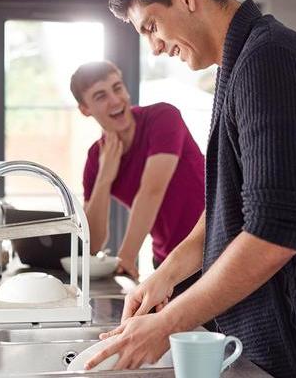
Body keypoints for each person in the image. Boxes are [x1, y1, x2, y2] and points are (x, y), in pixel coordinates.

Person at [83, 0, 296, 376]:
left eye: (150, 27)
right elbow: (232, 206)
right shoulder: (240, 63)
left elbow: (273, 236)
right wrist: (164, 277)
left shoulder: (270, 62)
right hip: (276, 342)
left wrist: (167, 324)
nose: (155, 48)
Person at [71, 60, 205, 294]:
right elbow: (93, 241)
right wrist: (104, 177)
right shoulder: (96, 157)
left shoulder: (163, 117)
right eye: (100, 96)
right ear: (85, 109)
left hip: (211, 249)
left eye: (117, 87)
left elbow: (151, 191)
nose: (115, 100)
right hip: (166, 260)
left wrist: (126, 258)